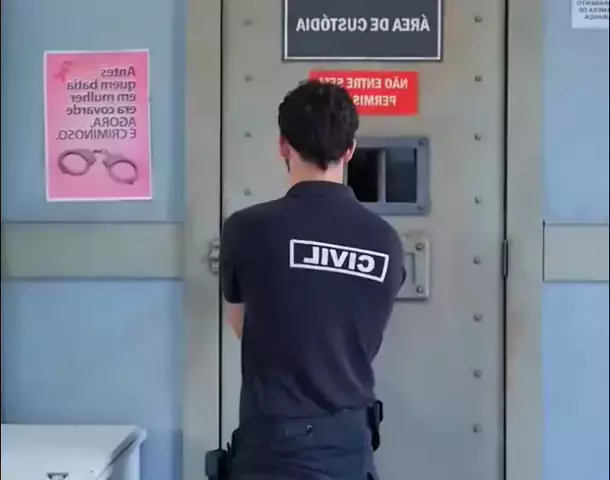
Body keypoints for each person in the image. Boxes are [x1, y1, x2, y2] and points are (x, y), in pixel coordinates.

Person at [219, 80, 406, 480]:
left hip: (275, 448)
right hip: (349, 444)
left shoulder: (248, 229)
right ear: (350, 150)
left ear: (283, 145)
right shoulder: (384, 241)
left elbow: (241, 324)